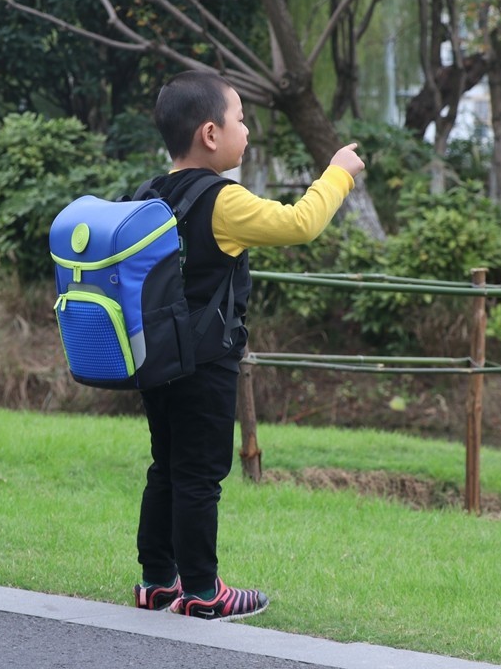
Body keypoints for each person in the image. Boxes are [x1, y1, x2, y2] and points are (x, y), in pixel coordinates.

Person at [133, 70, 365, 621]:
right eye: (240, 120)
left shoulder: (147, 194)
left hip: (156, 360)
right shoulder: (222, 201)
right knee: (200, 476)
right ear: (211, 134)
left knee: (165, 468)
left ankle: (157, 583)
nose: (247, 132)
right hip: (206, 362)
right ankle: (204, 592)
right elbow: (300, 223)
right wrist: (338, 174)